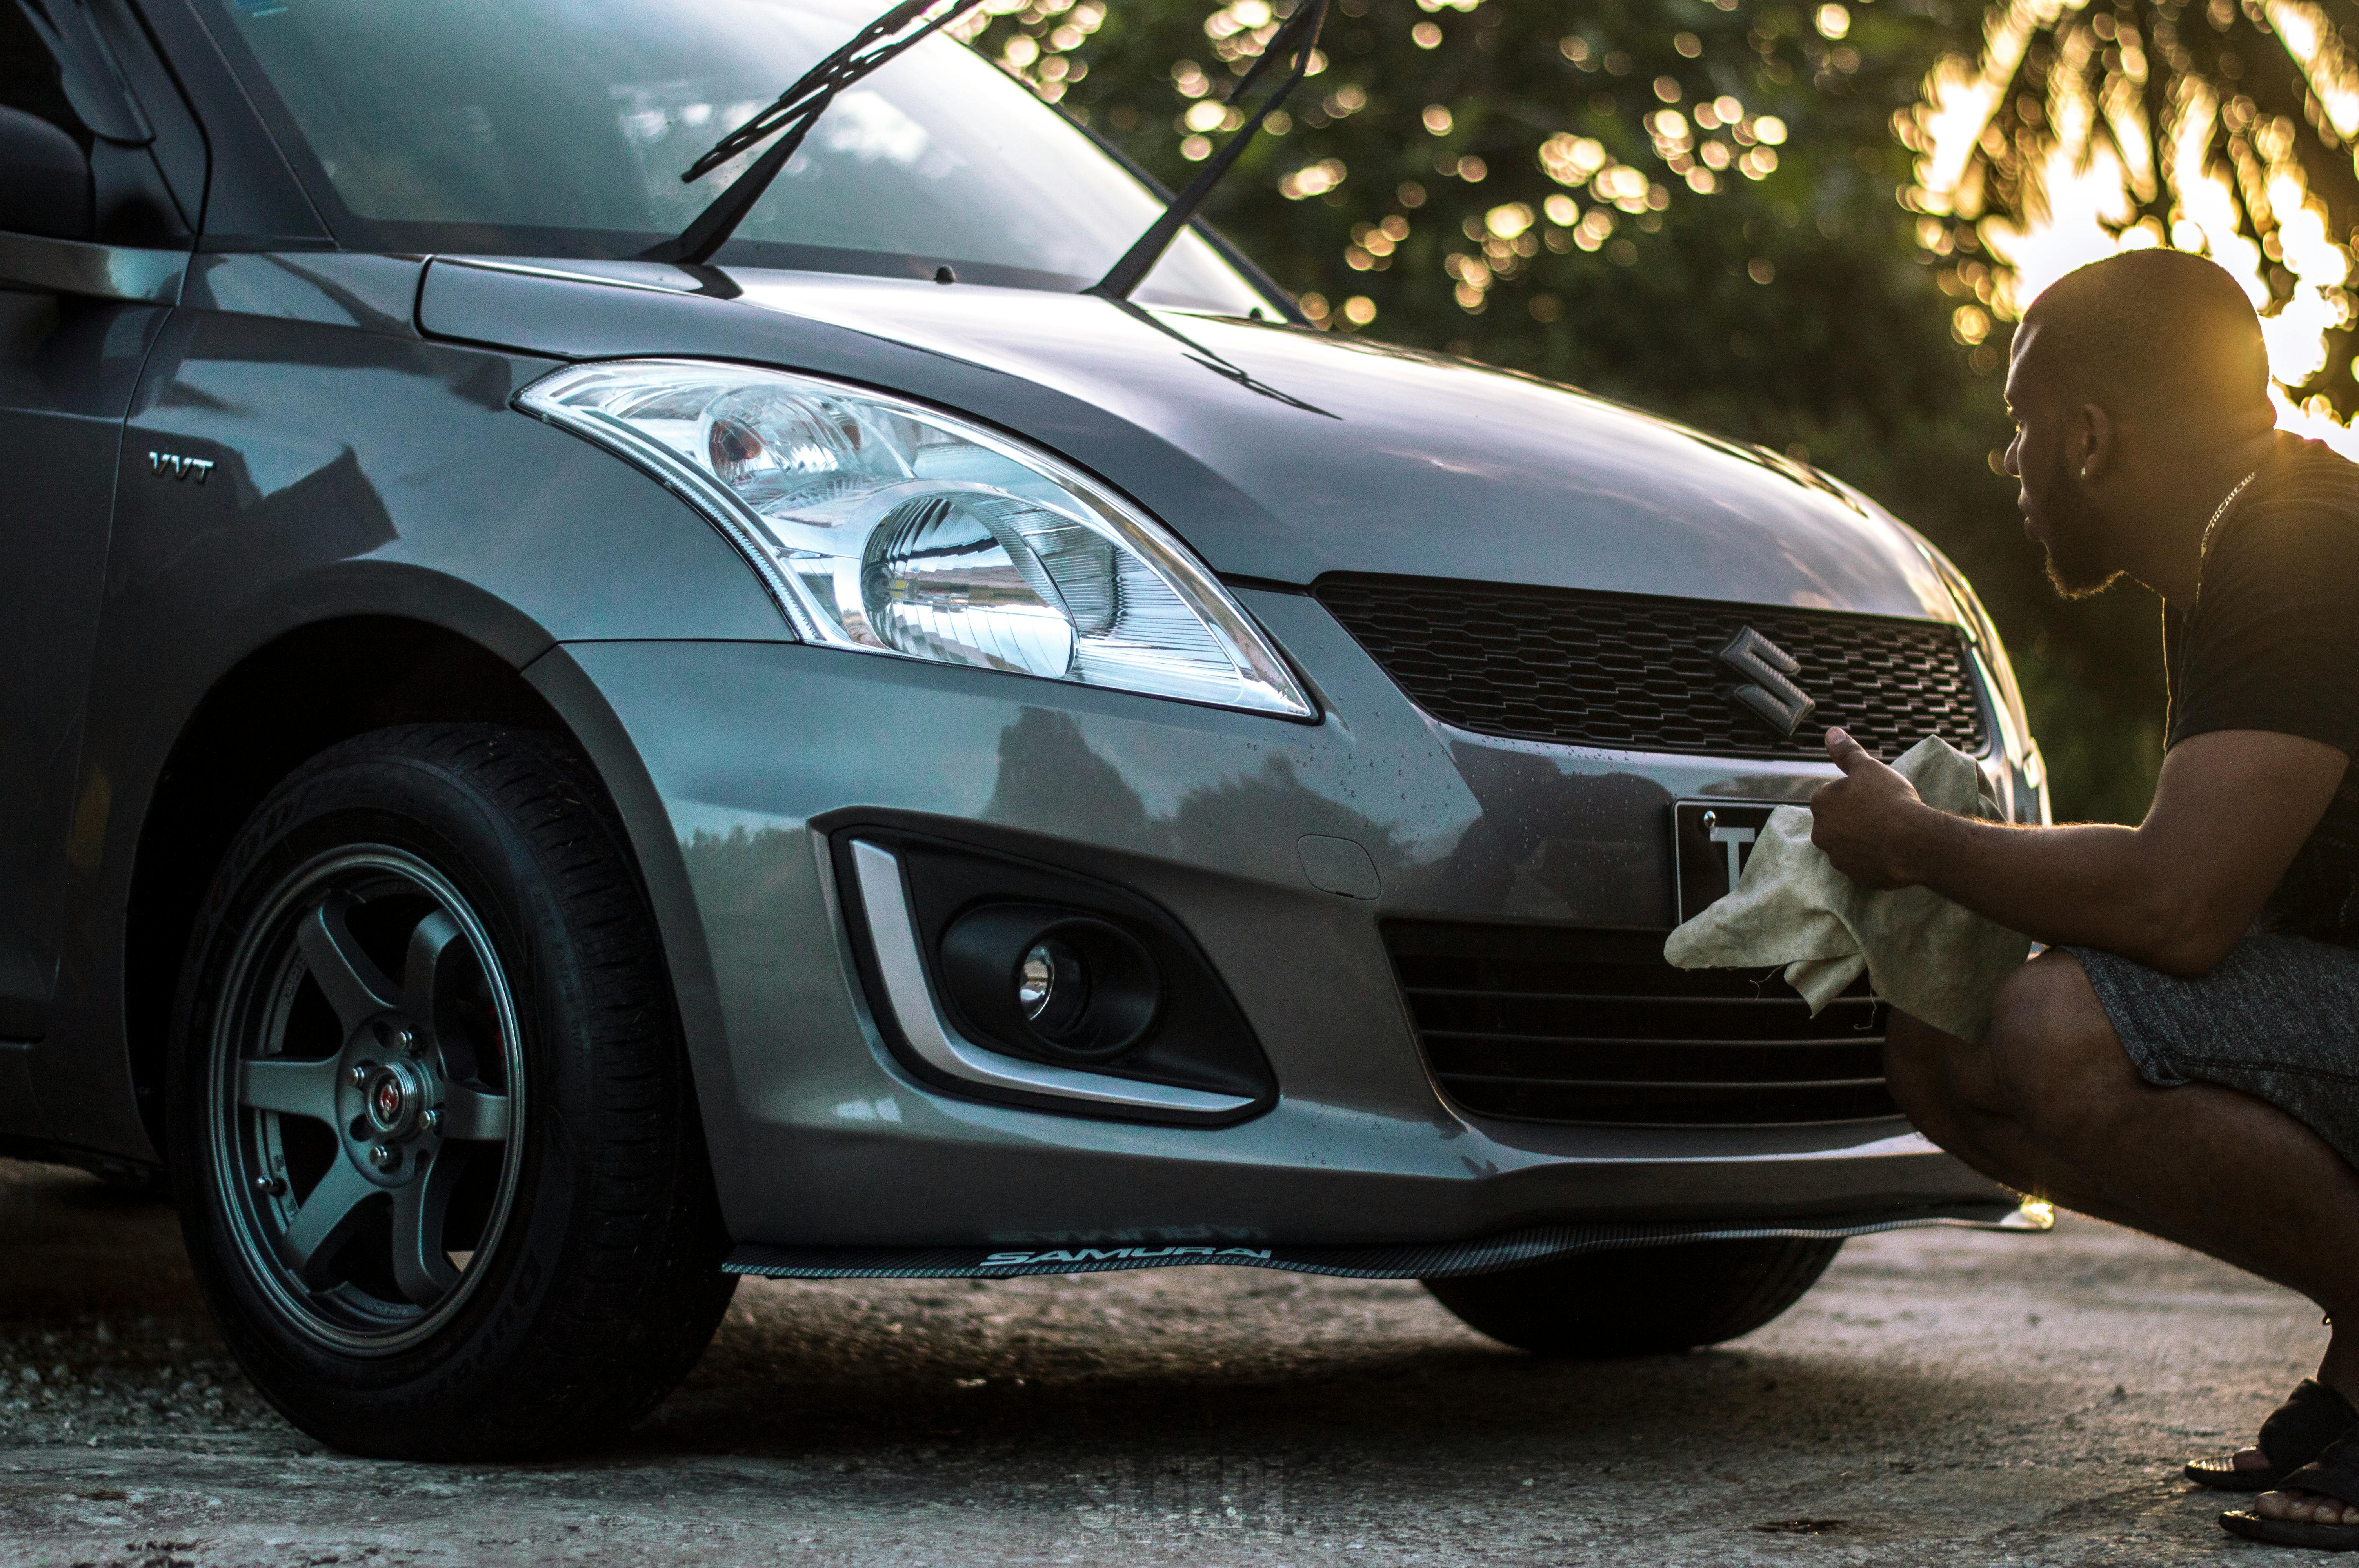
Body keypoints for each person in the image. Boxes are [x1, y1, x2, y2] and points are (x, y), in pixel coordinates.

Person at [1807, 246, 2359, 1551]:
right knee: (1946, 1048)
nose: (2014, 466)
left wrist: (1920, 841)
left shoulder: (2297, 549)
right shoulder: (2251, 543)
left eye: (2022, 430)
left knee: (2059, 1028)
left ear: (2092, 438)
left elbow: (2182, 905)